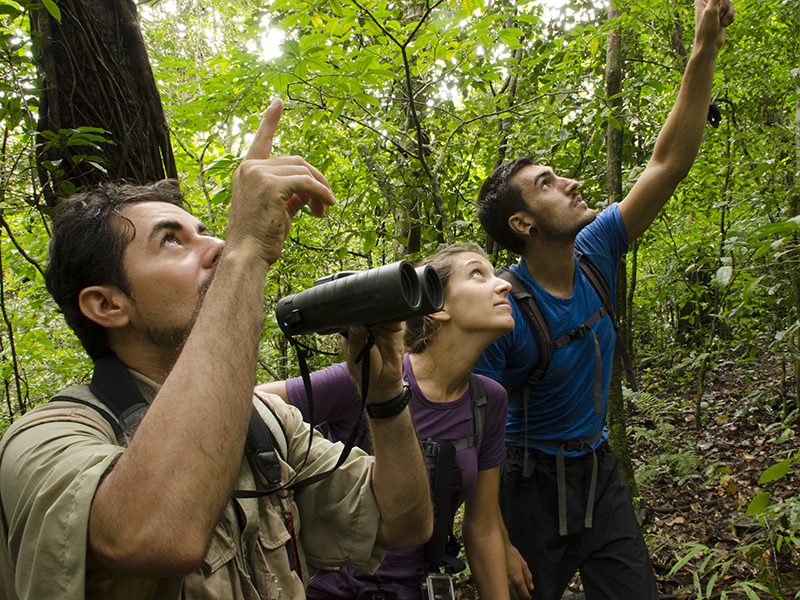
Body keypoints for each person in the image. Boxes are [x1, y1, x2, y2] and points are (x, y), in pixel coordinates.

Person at [0, 98, 432, 600]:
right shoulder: (45, 441)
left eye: (208, 232)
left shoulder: (265, 422)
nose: (218, 249)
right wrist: (247, 248)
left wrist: (384, 396)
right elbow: (157, 534)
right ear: (106, 304)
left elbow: (403, 524)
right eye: (171, 242)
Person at [474, 1, 736, 599]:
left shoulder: (596, 250)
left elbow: (667, 164)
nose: (568, 182)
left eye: (557, 174)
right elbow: (477, 425)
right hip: (528, 487)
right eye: (546, 183)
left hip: (599, 473)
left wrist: (704, 48)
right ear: (523, 224)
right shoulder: (501, 307)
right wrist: (493, 535)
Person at [260, 243, 515, 600]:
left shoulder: (488, 401)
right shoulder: (366, 375)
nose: (503, 284)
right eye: (478, 274)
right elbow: (252, 408)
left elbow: (483, 526)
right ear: (437, 306)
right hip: (332, 589)